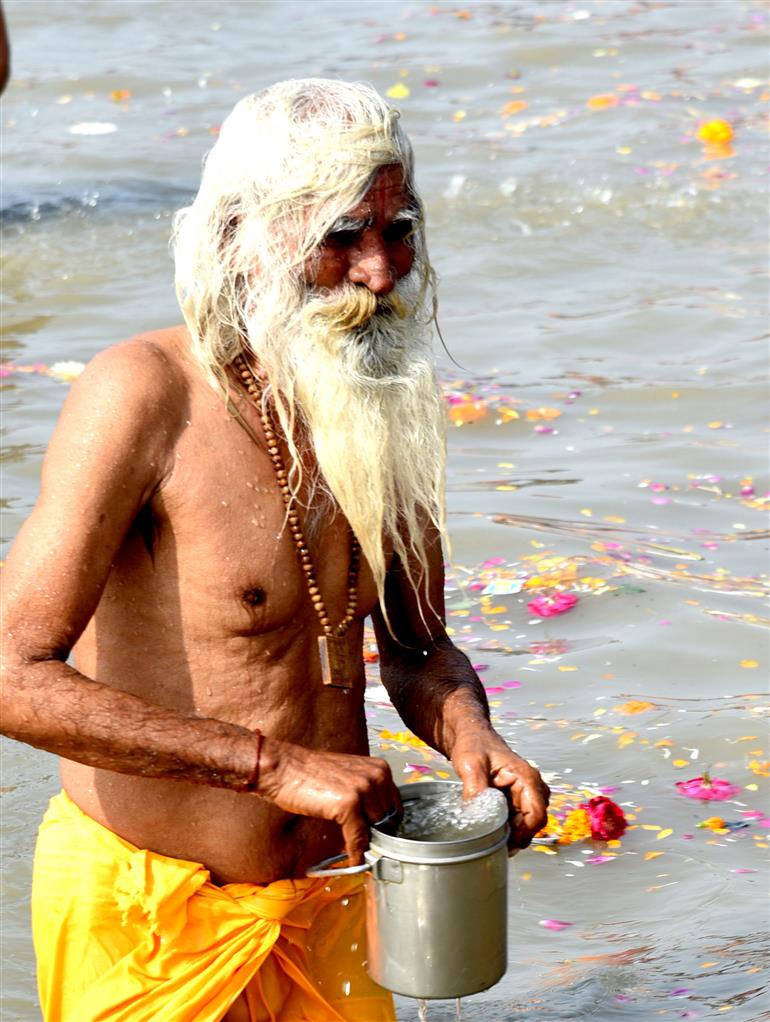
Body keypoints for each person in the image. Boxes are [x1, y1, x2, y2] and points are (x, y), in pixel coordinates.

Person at [0, 79, 549, 1022]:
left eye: (400, 229)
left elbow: (418, 649)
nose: (381, 273)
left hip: (336, 894)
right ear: (238, 239)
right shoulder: (142, 396)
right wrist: (268, 766)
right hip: (156, 923)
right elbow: (11, 674)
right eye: (341, 237)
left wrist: (471, 735)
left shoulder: (389, 399)